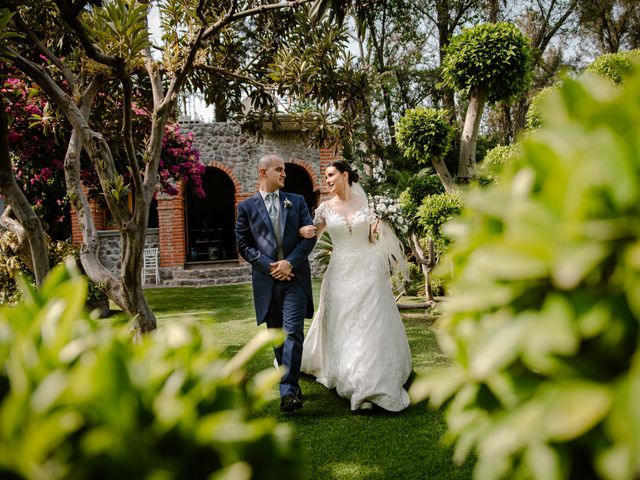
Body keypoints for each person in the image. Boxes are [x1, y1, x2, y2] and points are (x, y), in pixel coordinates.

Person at [299, 160, 413, 412]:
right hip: (339, 273)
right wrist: (302, 233)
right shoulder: (325, 208)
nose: (326, 180)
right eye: (326, 176)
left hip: (369, 271)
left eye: (330, 175)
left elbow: (372, 240)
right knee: (345, 323)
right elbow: (312, 237)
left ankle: (372, 378)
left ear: (345, 175)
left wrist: (376, 232)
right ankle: (349, 371)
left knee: (371, 322)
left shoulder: (368, 204)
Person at [235, 154, 316, 412]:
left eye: (284, 170)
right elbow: (243, 244)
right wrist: (270, 266)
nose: (284, 174)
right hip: (267, 282)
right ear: (263, 172)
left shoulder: (298, 201)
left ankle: (288, 392)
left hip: (295, 278)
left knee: (293, 331)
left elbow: (309, 236)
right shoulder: (246, 208)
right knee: (278, 337)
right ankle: (291, 383)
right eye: (279, 170)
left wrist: (289, 263)